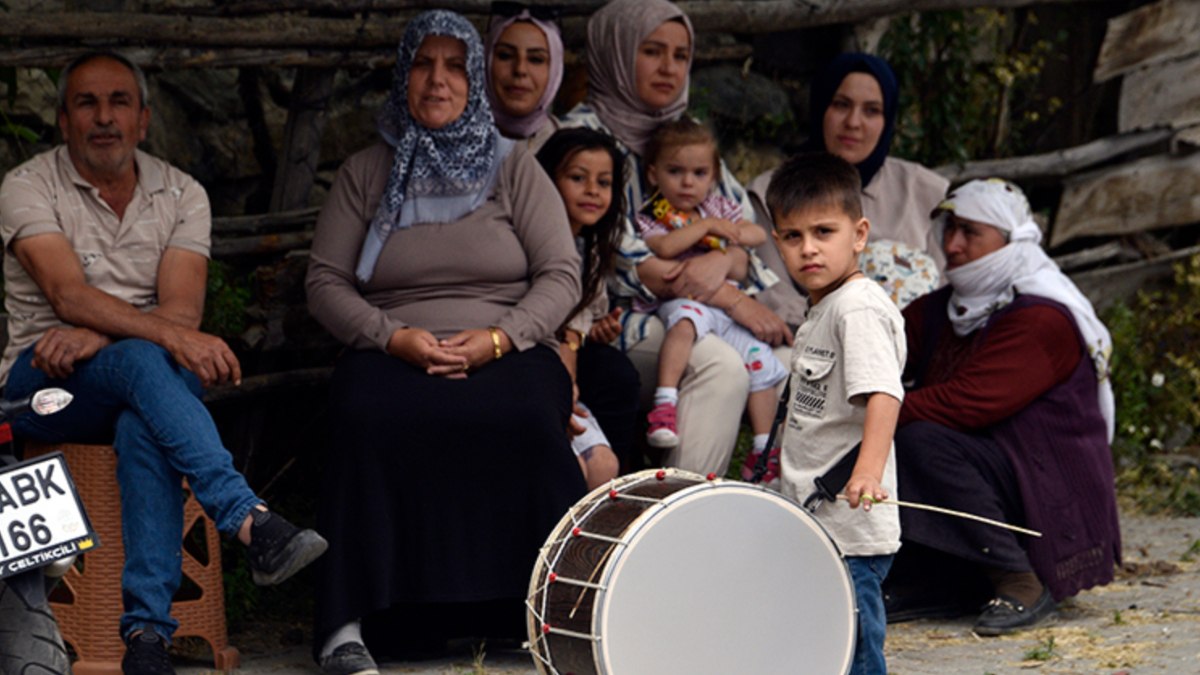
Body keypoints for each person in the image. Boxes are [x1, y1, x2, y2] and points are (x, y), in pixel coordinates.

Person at [0, 51, 327, 675]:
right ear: (64, 120)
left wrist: (101, 336)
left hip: (133, 383)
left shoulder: (181, 192)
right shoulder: (26, 185)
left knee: (142, 419)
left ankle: (147, 639)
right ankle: (247, 518)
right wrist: (123, 335)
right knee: (146, 360)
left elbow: (182, 312)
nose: (104, 117)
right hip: (42, 388)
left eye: (119, 102)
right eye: (87, 104)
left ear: (144, 119)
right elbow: (67, 295)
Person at [304, 11, 586, 674]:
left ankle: (559, 609)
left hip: (505, 342)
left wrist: (500, 337)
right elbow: (324, 281)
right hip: (390, 344)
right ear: (404, 75)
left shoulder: (513, 168)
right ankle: (349, 624)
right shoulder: (366, 171)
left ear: (475, 79)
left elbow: (561, 273)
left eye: (455, 65)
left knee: (523, 416)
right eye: (423, 64)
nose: (438, 80)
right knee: (367, 414)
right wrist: (391, 336)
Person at [561, 0, 791, 475]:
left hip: (695, 312)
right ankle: (678, 514)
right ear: (619, 53)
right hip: (617, 320)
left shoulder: (684, 134)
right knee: (721, 368)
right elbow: (640, 267)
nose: (669, 68)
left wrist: (723, 261)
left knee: (794, 364)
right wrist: (733, 296)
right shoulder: (583, 136)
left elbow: (744, 248)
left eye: (681, 55)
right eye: (652, 51)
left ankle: (748, 502)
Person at [887, 178, 1120, 635]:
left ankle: (1021, 577)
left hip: (1043, 485)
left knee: (917, 438)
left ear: (1011, 240)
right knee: (901, 434)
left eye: (969, 232)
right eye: (949, 229)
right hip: (987, 472)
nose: (952, 245)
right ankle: (938, 580)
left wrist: (874, 414)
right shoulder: (940, 309)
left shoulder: (1041, 318)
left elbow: (967, 403)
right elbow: (882, 352)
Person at [766, 152, 906, 675]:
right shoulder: (823, 307)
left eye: (824, 231)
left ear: (860, 233)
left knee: (855, 653)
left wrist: (868, 471)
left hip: (851, 528)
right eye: (792, 236)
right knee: (822, 645)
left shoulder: (858, 309)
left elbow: (883, 395)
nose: (808, 249)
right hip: (817, 520)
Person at [634, 119, 787, 477]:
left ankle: (763, 451)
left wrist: (729, 233)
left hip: (722, 311)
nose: (688, 182)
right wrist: (703, 229)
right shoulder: (658, 213)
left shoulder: (719, 207)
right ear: (654, 175)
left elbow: (755, 237)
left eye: (699, 173)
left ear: (714, 175)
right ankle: (665, 403)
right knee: (684, 326)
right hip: (684, 301)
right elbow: (665, 247)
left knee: (760, 361)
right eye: (676, 171)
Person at [749, 53, 949, 324]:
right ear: (820, 108)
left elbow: (948, 288)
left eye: (871, 110)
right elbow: (773, 289)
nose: (854, 123)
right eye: (841, 105)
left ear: (888, 119)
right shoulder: (770, 193)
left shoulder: (925, 192)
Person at [536, 126, 637, 488]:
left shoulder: (589, 248)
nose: (593, 191)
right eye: (578, 178)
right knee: (573, 468)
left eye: (604, 181)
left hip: (565, 363)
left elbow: (579, 321)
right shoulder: (530, 242)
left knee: (604, 466)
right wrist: (566, 380)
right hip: (535, 360)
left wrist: (592, 332)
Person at [484, 0, 564, 146]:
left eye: (535, 59)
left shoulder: (570, 151)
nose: (520, 70)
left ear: (555, 71)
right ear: (486, 62)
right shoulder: (456, 147)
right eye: (505, 56)